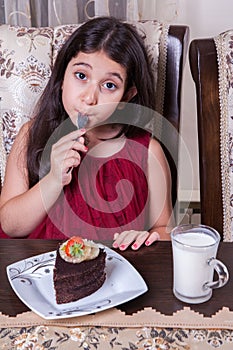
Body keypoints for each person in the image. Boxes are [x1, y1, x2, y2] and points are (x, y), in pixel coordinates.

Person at [0, 16, 174, 250]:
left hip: (116, 276)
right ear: (62, 77)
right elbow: (10, 225)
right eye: (81, 76)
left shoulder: (148, 152)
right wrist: (53, 180)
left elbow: (164, 229)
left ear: (127, 96)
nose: (90, 99)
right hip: (41, 273)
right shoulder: (32, 134)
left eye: (109, 85)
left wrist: (147, 237)